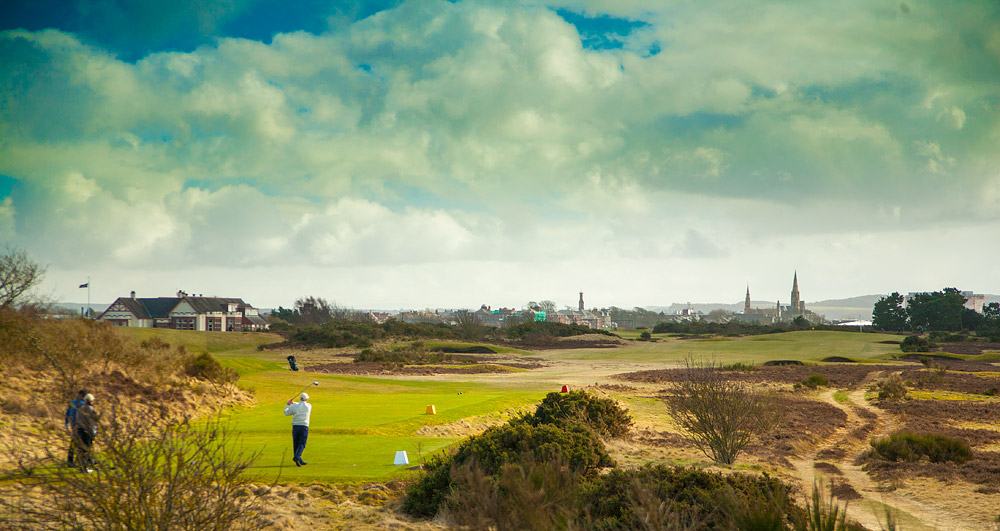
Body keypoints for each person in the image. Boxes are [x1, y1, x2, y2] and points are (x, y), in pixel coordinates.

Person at [283, 392, 312, 466]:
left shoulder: (295, 406)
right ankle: (297, 457)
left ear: (300, 398)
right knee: (302, 443)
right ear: (307, 399)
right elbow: (301, 405)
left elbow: (286, 413)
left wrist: (288, 404)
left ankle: (299, 460)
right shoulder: (309, 406)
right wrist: (293, 403)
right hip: (304, 426)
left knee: (296, 443)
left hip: (295, 426)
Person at [75, 393, 99, 472]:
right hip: (87, 431)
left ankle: (83, 465)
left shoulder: (80, 409)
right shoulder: (91, 410)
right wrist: (94, 432)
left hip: (79, 430)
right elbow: (94, 421)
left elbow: (77, 419)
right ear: (91, 401)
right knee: (87, 449)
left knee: (81, 449)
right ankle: (85, 467)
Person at [64, 389, 87, 466]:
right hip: (80, 426)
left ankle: (70, 460)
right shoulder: (83, 404)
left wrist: (66, 423)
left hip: (73, 425)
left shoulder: (72, 403)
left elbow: (67, 413)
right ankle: (80, 461)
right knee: (81, 444)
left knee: (73, 443)